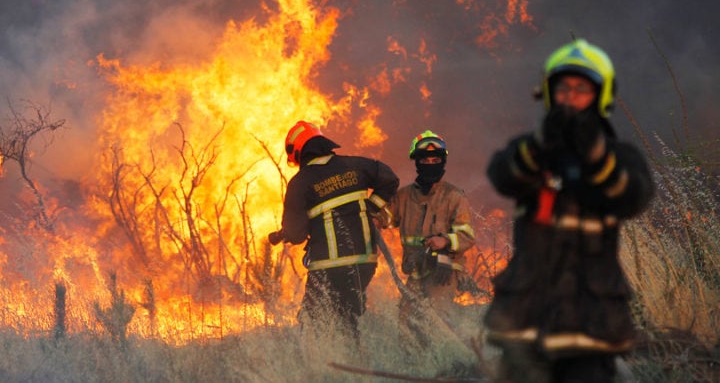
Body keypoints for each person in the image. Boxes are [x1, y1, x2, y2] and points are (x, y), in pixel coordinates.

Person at [483, 39, 655, 382]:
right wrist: (539, 147)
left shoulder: (620, 157)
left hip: (590, 326)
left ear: (601, 96)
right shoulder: (529, 151)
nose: (571, 98)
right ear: (549, 93)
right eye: (563, 88)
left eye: (581, 89)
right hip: (525, 321)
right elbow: (502, 175)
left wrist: (596, 158)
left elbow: (634, 196)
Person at [268, 120, 399, 340]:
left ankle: (329, 365)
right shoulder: (355, 165)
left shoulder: (300, 183)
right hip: (365, 261)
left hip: (329, 266)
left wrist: (290, 231)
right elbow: (389, 179)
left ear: (299, 152)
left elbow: (296, 234)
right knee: (346, 318)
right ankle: (354, 360)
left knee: (311, 323)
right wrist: (371, 207)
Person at [387, 130, 476, 346]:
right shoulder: (404, 196)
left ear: (442, 162)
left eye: (435, 160)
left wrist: (445, 241)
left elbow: (466, 236)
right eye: (425, 160)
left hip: (443, 271)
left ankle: (448, 365)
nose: (430, 163)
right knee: (406, 325)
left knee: (438, 321)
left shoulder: (454, 196)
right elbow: (385, 218)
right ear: (416, 162)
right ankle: (414, 370)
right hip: (416, 273)